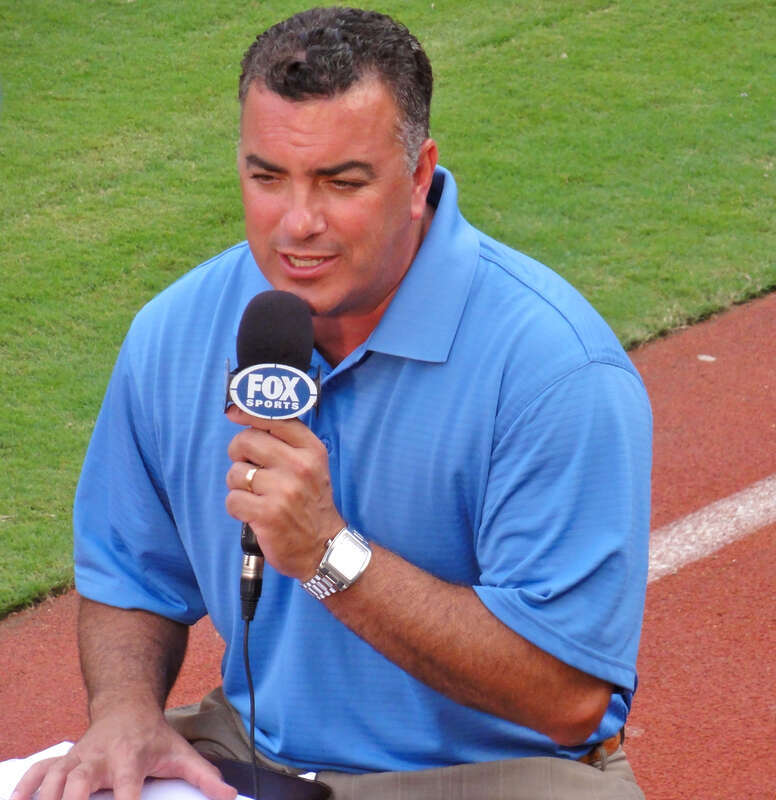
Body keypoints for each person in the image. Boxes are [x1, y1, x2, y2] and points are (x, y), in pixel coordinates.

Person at [14, 7, 652, 800]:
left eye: (341, 182)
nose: (298, 224)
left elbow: (568, 696)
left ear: (418, 176)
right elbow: (129, 578)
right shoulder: (175, 332)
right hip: (255, 754)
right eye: (267, 177)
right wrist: (123, 710)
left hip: (498, 774)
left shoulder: (553, 368)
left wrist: (329, 557)